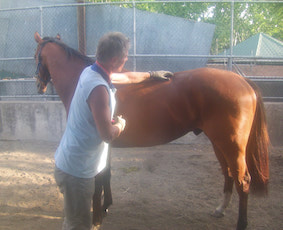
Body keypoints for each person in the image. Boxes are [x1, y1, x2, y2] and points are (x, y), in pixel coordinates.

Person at [54, 32, 173, 230]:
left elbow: (126, 77)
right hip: (77, 173)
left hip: (72, 165)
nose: (127, 59)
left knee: (74, 219)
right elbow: (107, 134)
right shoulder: (99, 89)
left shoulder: (91, 71)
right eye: (125, 56)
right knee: (78, 225)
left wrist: (151, 75)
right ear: (115, 59)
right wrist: (121, 125)